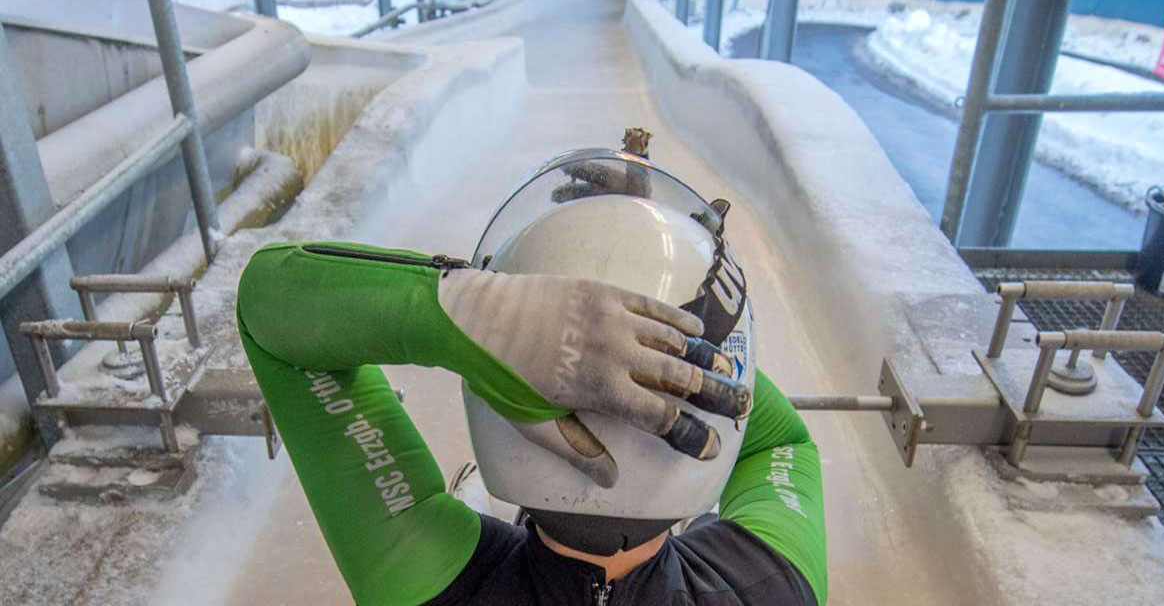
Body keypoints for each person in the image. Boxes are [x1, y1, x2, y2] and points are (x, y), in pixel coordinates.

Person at [237, 148, 826, 605]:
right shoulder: (772, 588)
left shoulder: (423, 585)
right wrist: (684, 321)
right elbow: (779, 439)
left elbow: (270, 309)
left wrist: (477, 313)